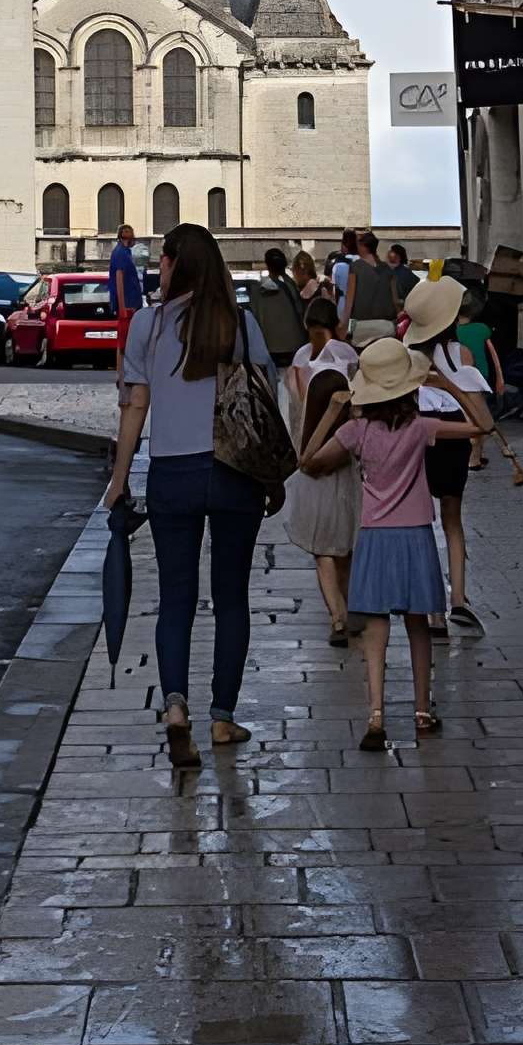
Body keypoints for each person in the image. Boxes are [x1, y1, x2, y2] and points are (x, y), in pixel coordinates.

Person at [104, 223, 275, 770]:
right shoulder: (242, 324)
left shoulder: (148, 327)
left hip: (172, 474)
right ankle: (222, 716)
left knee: (175, 598)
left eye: (163, 259)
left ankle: (176, 709)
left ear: (176, 263)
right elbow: (264, 404)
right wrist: (274, 477)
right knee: (231, 600)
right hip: (234, 473)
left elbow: (135, 405)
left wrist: (120, 476)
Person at [303, 334, 490, 748]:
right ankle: (422, 712)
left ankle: (376, 717)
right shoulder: (422, 427)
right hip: (416, 537)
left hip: (374, 539)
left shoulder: (355, 432)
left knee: (375, 631)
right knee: (418, 627)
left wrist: (329, 412)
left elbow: (308, 461)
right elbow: (484, 425)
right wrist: (448, 384)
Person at [403, 274, 496, 632]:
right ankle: (457, 597)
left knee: (425, 523)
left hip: (424, 435)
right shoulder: (462, 353)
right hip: (456, 435)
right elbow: (477, 401)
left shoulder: (412, 358)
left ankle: (433, 612)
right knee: (453, 521)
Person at [285, 364, 360, 645]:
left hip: (316, 496)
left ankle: (339, 617)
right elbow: (306, 460)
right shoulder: (351, 425)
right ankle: (346, 613)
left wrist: (328, 413)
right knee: (342, 557)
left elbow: (305, 460)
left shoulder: (316, 424)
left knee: (324, 556)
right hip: (345, 495)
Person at [287, 294, 358, 414]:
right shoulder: (348, 352)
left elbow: (296, 402)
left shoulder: (301, 356)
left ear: (306, 325)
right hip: (343, 417)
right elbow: (355, 388)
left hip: (310, 419)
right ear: (336, 324)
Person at [344, 231, 398, 348]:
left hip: (362, 328)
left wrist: (345, 326)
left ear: (363, 247)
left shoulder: (355, 267)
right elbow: (395, 301)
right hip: (387, 327)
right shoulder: (388, 269)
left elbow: (349, 302)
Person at [106, 226, 143, 317]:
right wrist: (123, 309)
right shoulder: (120, 253)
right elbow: (119, 280)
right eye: (132, 236)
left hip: (132, 302)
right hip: (128, 305)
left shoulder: (126, 252)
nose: (134, 239)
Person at [329, 228, 358, 322]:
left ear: (344, 245)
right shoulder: (363, 262)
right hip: (360, 305)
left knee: (345, 333)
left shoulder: (338, 265)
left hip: (343, 304)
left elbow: (334, 292)